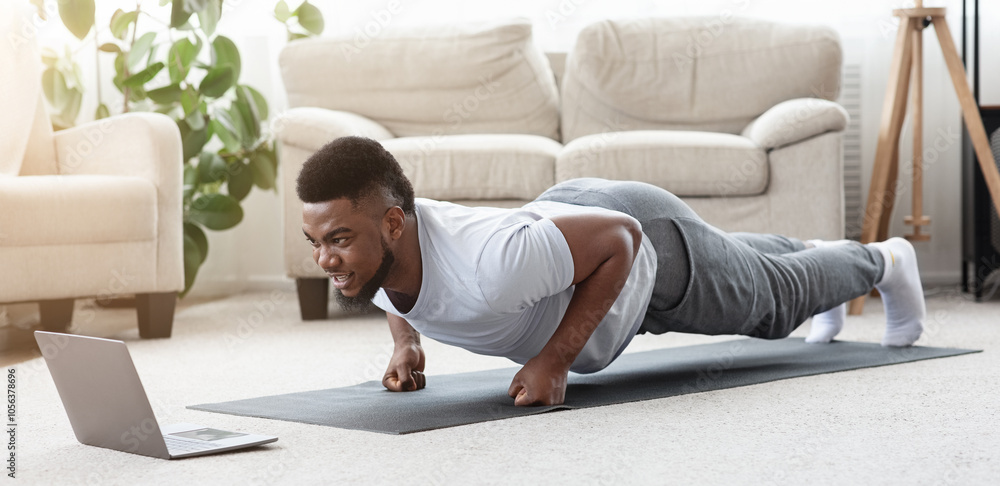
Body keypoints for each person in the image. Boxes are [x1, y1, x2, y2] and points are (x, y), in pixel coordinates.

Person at [297, 136, 925, 407]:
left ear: (394, 225)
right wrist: (406, 342)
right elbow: (380, 282)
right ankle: (819, 254)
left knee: (771, 307)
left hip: (635, 241)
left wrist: (556, 359)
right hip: (572, 233)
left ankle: (885, 260)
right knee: (740, 260)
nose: (328, 261)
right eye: (316, 242)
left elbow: (622, 239)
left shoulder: (492, 267)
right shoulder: (383, 249)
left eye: (339, 240)